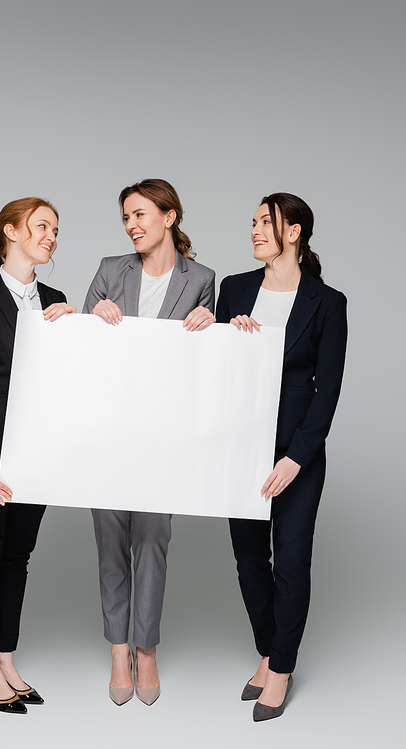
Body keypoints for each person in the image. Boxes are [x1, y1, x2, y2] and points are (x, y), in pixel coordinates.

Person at [83, 178, 216, 705]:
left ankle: (147, 650)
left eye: (140, 214)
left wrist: (213, 322)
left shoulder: (202, 278)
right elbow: (78, 351)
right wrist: (93, 317)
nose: (132, 225)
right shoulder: (110, 270)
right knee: (110, 540)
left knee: (152, 542)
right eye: (126, 218)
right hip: (109, 430)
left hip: (164, 434)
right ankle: (118, 648)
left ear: (170, 216)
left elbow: (204, 365)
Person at [216, 192, 347, 722]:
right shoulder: (235, 289)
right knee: (250, 561)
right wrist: (231, 339)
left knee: (290, 561)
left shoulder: (328, 302)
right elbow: (216, 370)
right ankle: (268, 651)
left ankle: (282, 669)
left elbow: (328, 390)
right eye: (251, 223)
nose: (252, 232)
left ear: (292, 232)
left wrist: (296, 457)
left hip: (296, 456)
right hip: (240, 450)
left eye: (262, 223)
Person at [0, 197, 75, 713]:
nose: (51, 236)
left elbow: (69, 382)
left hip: (38, 457)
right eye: (42, 226)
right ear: (11, 231)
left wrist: (77, 330)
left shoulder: (56, 298)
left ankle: (6, 655)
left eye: (55, 229)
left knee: (17, 560)